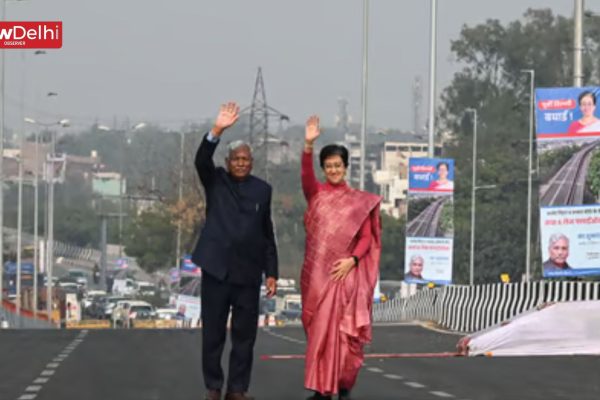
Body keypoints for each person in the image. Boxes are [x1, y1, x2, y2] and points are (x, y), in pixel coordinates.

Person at [192, 102, 278, 400]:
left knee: (245, 338)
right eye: (236, 159)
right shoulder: (216, 181)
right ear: (227, 162)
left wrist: (272, 273)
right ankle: (214, 387)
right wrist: (217, 129)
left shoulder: (262, 190)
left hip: (248, 274)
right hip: (216, 270)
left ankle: (237, 389)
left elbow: (267, 234)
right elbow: (201, 159)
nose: (241, 163)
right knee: (213, 334)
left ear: (251, 162)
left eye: (246, 159)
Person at [301, 115, 382, 400]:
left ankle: (344, 385)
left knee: (346, 337)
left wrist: (352, 261)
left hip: (345, 277)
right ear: (323, 169)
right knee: (319, 333)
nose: (333, 170)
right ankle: (322, 389)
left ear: (346, 167)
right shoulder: (316, 194)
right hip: (316, 279)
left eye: (338, 165)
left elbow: (366, 239)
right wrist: (308, 146)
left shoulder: (359, 202)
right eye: (328, 166)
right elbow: (306, 177)